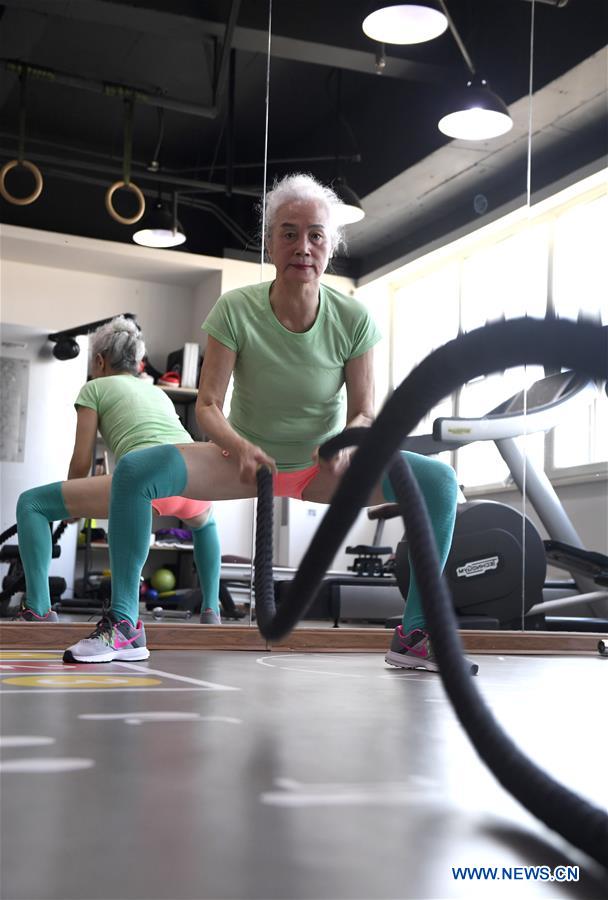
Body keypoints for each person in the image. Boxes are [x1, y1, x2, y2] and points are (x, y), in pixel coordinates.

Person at [64, 173, 474, 674]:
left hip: (323, 467)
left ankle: (414, 635)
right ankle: (125, 624)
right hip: (240, 462)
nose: (303, 246)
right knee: (134, 471)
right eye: (289, 233)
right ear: (270, 243)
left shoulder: (353, 318)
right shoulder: (236, 309)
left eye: (316, 235)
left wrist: (347, 444)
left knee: (439, 481)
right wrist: (238, 446)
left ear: (330, 245)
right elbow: (208, 405)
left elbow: (366, 411)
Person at [15, 316, 223, 647]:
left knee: (32, 504)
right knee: (206, 524)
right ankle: (211, 609)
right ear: (137, 362)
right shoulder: (158, 392)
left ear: (99, 361)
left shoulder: (94, 388)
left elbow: (82, 459)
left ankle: (38, 609)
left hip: (146, 481)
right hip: (192, 479)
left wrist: (73, 507)